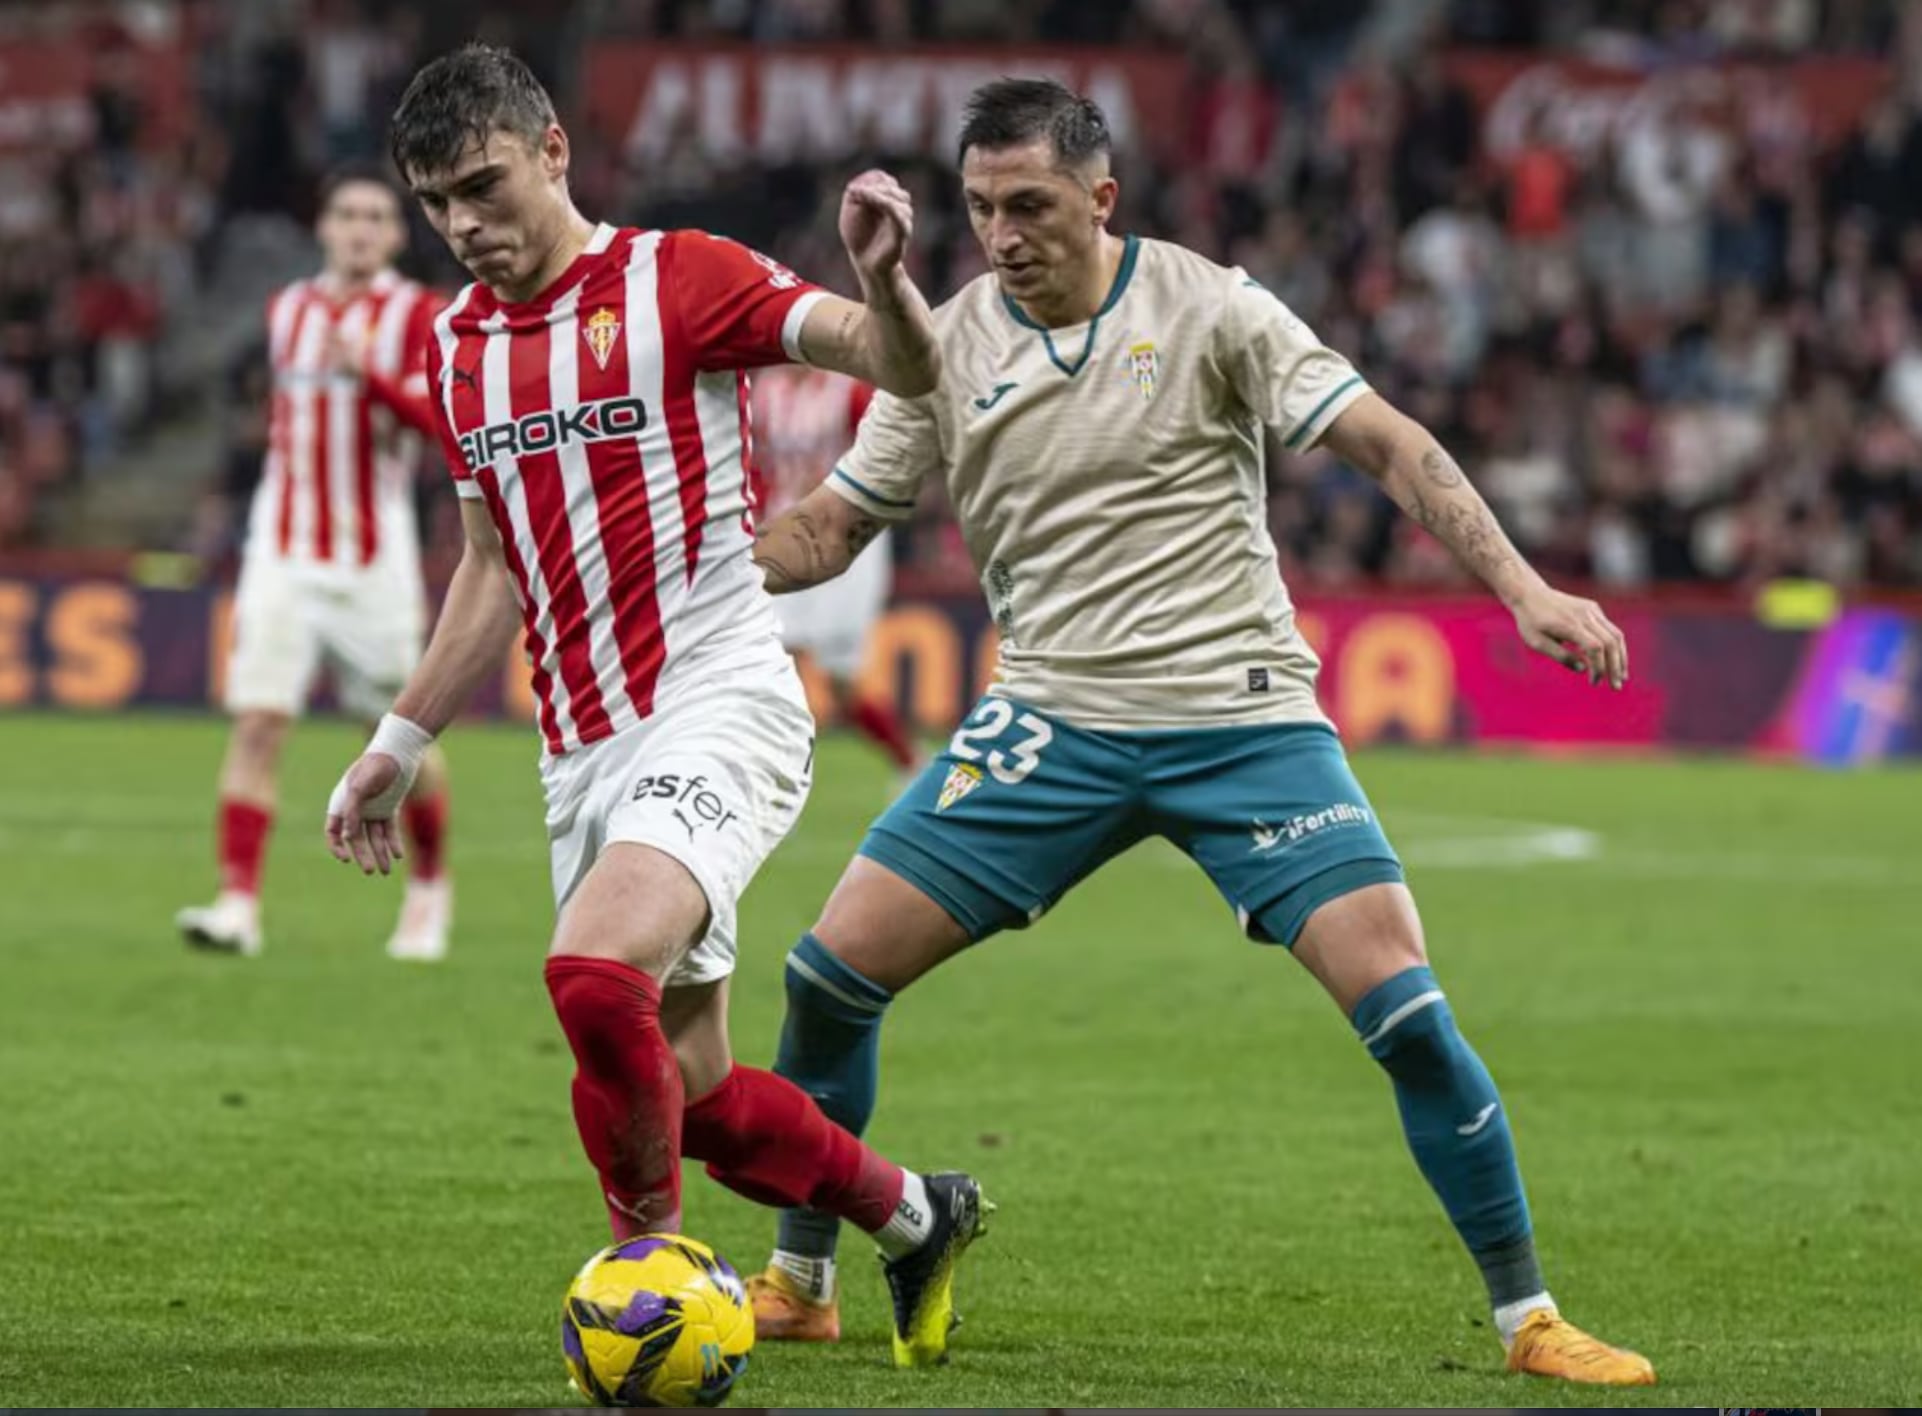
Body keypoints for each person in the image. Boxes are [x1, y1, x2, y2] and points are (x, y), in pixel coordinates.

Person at [746, 79, 1655, 1386]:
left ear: (1100, 198)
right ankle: (800, 1279)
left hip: (1241, 723)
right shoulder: (937, 347)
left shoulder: (1210, 306)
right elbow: (831, 526)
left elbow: (1389, 446)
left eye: (1032, 206)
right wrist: (704, 559)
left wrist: (1523, 589)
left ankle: (1527, 1321)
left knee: (1401, 1009)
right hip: (1047, 720)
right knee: (826, 978)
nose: (1002, 235)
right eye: (981, 208)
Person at [321, 44, 984, 1369]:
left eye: (482, 185)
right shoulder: (458, 348)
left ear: (552, 150)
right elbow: (491, 574)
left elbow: (894, 366)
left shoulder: (677, 278)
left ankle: (652, 1296)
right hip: (582, 750)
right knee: (684, 1094)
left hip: (718, 698)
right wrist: (396, 745)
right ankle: (916, 1214)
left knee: (589, 975)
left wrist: (884, 284)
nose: (464, 226)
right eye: (438, 202)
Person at [177, 165, 454, 962]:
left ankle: (430, 888)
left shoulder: (419, 316)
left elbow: (441, 425)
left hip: (374, 561)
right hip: (284, 550)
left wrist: (364, 373)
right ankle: (237, 904)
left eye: (376, 217)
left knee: (398, 741)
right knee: (261, 720)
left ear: (397, 236)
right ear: (325, 229)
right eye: (347, 215)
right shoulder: (285, 310)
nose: (361, 229)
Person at [751, 363, 922, 778]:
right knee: (770, 649)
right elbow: (752, 463)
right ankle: (777, 768)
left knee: (839, 675)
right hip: (784, 532)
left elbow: (888, 450)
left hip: (844, 539)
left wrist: (833, 479)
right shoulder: (765, 392)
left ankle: (910, 762)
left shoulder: (848, 392)